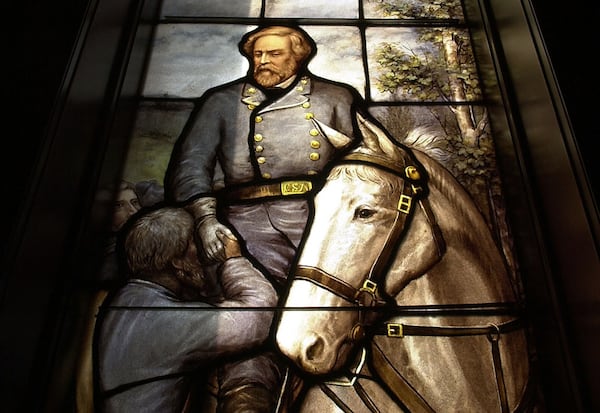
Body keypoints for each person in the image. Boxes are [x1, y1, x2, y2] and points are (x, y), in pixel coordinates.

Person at [164, 25, 365, 287]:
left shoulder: (335, 98)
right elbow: (191, 166)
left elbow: (361, 165)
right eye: (258, 55)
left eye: (274, 54)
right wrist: (206, 219)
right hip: (242, 221)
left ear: (298, 56)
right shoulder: (222, 101)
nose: (263, 62)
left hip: (319, 217)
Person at [94, 207, 278, 412]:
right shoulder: (164, 320)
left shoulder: (126, 301)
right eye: (194, 243)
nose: (201, 254)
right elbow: (260, 318)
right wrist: (233, 259)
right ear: (177, 262)